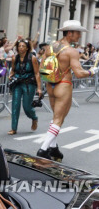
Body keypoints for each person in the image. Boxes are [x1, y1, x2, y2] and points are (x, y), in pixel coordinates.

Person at [37, 20, 97, 161]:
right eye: (77, 33)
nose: (79, 36)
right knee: (59, 119)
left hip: (50, 85)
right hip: (63, 84)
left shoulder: (49, 47)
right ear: (69, 33)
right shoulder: (71, 51)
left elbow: (41, 68)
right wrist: (92, 72)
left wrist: (40, 86)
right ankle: (43, 149)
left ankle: (54, 148)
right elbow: (79, 73)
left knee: (56, 118)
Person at [7, 39, 41, 135]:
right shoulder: (15, 58)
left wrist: (39, 88)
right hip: (17, 84)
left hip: (28, 84)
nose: (21, 48)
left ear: (27, 48)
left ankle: (34, 117)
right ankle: (14, 128)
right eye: (19, 46)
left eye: (23, 46)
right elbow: (13, 70)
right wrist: (11, 75)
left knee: (27, 107)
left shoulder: (32, 58)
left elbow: (37, 73)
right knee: (15, 105)